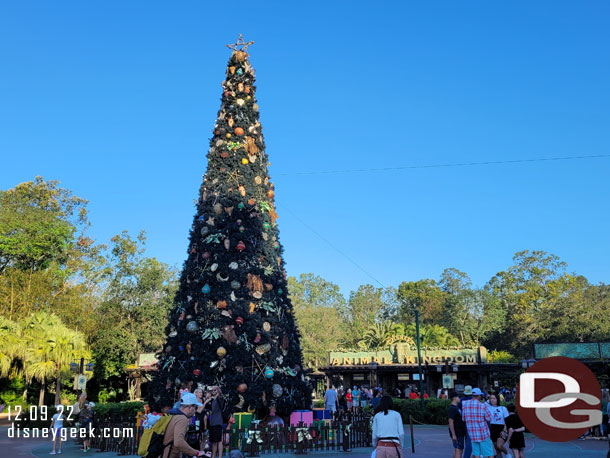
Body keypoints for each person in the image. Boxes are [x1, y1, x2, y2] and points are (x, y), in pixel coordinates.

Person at [162, 392, 207, 458]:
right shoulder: (182, 419)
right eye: (195, 407)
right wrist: (196, 452)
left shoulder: (173, 415)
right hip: (170, 455)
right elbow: (178, 442)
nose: (195, 410)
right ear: (189, 407)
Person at [461, 388, 493, 458]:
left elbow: (463, 419)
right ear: (479, 396)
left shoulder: (465, 405)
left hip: (472, 434)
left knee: (476, 454)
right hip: (483, 434)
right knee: (489, 453)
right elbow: (489, 418)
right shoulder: (482, 405)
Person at [209, 386, 227, 458]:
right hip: (212, 422)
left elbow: (220, 395)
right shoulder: (212, 400)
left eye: (215, 390)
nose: (213, 391)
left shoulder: (219, 398)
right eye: (212, 391)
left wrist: (218, 389)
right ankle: (213, 455)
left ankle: (219, 456)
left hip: (218, 421)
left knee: (219, 440)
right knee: (213, 441)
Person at [448, 392, 465, 458]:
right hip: (457, 431)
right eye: (458, 397)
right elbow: (450, 421)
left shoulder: (456, 407)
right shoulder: (453, 408)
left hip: (459, 431)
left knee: (457, 449)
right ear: (454, 398)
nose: (459, 398)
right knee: (459, 450)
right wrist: (453, 434)